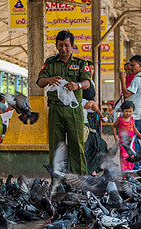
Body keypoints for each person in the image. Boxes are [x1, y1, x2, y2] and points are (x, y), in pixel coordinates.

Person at [37, 30, 92, 175]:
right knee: (56, 145)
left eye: (66, 45)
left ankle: (78, 177)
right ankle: (57, 177)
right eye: (60, 45)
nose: (63, 49)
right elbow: (40, 82)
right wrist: (49, 79)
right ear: (56, 46)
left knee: (76, 144)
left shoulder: (80, 63)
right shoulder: (50, 63)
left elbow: (88, 83)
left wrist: (77, 85)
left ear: (72, 46)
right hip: (55, 109)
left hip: (74, 110)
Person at [119, 54, 141, 170]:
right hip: (140, 114)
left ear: (140, 65)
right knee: (135, 142)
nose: (130, 68)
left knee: (132, 143)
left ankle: (137, 167)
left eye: (133, 65)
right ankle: (140, 167)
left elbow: (126, 94)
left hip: (134, 116)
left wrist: (122, 79)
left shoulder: (137, 79)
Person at [112, 101, 141, 171]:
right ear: (122, 110)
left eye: (130, 111)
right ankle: (124, 173)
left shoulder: (132, 119)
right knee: (124, 157)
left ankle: (130, 172)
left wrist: (139, 134)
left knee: (132, 157)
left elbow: (134, 128)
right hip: (123, 143)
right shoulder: (119, 119)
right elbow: (113, 126)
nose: (128, 113)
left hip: (131, 143)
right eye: (126, 111)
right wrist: (115, 137)